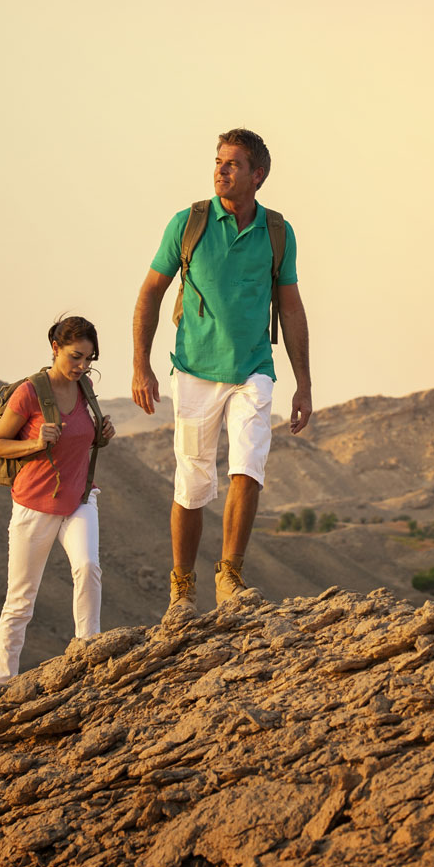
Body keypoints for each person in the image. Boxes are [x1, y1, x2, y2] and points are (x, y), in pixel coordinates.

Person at [131, 127, 312, 622]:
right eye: (218, 162)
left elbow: (291, 308)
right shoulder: (188, 223)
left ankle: (229, 574)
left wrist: (303, 383)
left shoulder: (277, 232)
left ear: (258, 175)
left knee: (248, 467)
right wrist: (141, 364)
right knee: (192, 483)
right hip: (193, 370)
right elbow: (151, 292)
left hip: (253, 368)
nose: (220, 171)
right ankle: (182, 586)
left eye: (232, 164)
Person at [0, 316, 116, 684]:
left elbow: (80, 438)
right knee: (21, 600)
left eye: (88, 359)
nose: (82, 366)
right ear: (55, 348)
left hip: (79, 499)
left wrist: (103, 433)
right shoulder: (30, 392)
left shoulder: (86, 387)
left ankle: (89, 658)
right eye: (76, 356)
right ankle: (1, 683)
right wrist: (34, 442)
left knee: (88, 568)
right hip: (34, 506)